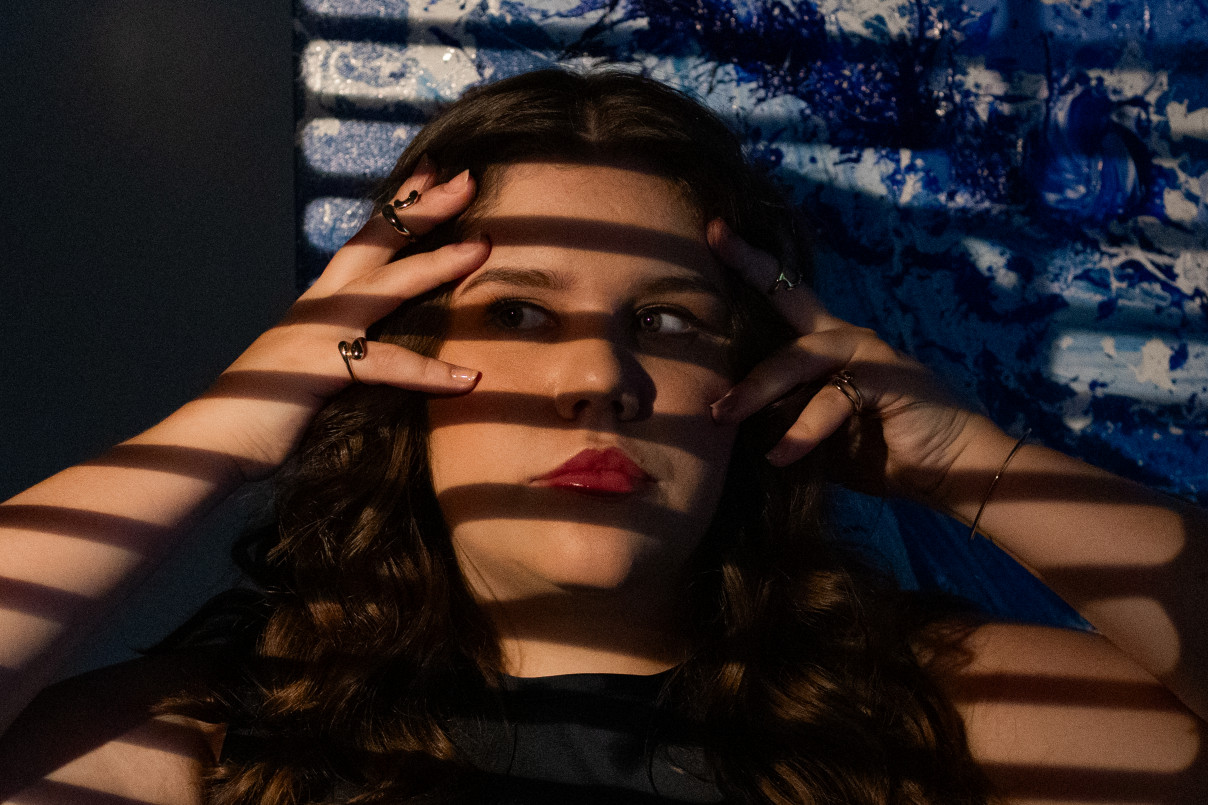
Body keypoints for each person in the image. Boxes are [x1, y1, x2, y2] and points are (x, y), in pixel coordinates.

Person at [0, 68, 1204, 804]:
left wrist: (966, 461)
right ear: (387, 372)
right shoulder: (218, 748)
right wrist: (222, 429)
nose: (598, 377)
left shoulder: (940, 718)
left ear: (753, 382)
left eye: (667, 321)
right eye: (517, 313)